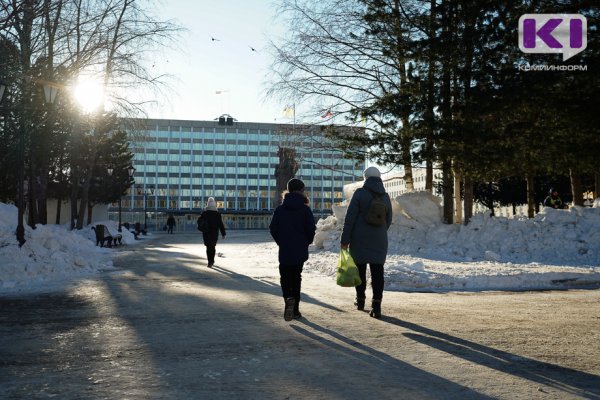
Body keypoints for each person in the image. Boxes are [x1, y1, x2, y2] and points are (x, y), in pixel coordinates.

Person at [340, 166, 393, 319]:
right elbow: (388, 220)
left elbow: (350, 219)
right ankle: (376, 305)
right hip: (379, 239)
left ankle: (360, 300)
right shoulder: (385, 196)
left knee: (360, 270)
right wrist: (380, 232)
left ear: (366, 178)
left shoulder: (360, 193)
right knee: (377, 272)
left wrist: (345, 240)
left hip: (359, 238)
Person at [269, 178, 316, 321]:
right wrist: (305, 242)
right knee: (296, 278)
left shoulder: (280, 209)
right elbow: (311, 229)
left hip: (285, 250)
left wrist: (281, 242)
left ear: (288, 190)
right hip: (299, 250)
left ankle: (288, 299)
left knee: (285, 278)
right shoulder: (305, 209)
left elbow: (273, 228)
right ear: (301, 190)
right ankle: (295, 310)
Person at [198, 197, 226, 267]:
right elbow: (220, 224)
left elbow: (199, 221)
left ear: (207, 204)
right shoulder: (217, 214)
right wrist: (223, 233)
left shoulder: (204, 213)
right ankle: (212, 261)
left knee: (208, 247)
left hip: (206, 233)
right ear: (214, 204)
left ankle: (209, 262)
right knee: (212, 247)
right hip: (214, 234)